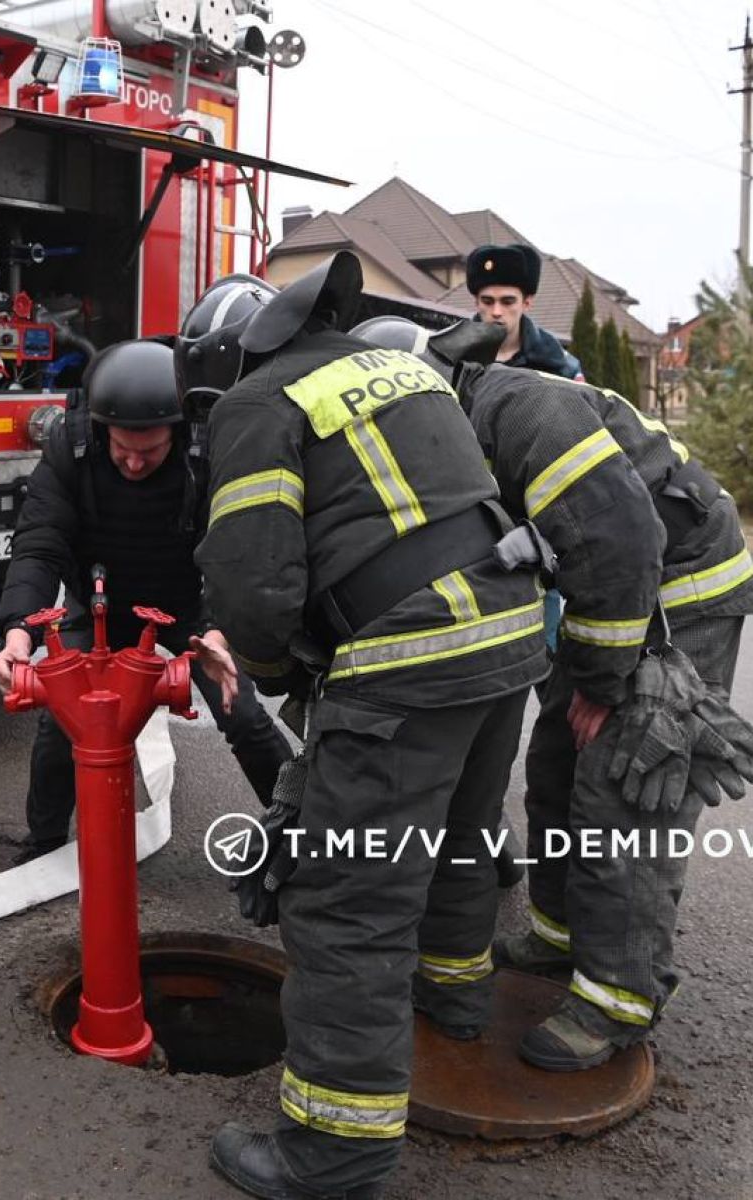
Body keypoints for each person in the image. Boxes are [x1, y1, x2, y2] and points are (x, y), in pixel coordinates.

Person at [185, 255, 554, 1199]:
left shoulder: (257, 405)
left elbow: (255, 592)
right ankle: (455, 997)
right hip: (507, 633)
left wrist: (273, 675)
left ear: (222, 359)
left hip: (410, 662)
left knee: (347, 902)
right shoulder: (386, 366)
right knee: (464, 835)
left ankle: (332, 1155)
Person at [354, 316, 753, 1071]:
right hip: (606, 601)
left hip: (678, 599)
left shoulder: (519, 411)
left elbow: (619, 537)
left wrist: (608, 684)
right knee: (553, 765)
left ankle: (618, 998)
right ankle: (561, 931)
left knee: (623, 790)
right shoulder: (457, 425)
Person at [0, 339, 290, 861]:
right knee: (59, 721)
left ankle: (299, 836)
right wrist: (19, 630)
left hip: (189, 605)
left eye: (149, 452)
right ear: (102, 428)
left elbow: (235, 549)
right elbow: (40, 543)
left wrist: (218, 631)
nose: (132, 463)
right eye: (121, 448)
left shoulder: (209, 449)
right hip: (102, 603)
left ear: (177, 431)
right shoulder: (70, 446)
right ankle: (42, 847)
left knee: (242, 713)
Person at [466, 242, 583, 379]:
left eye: (508, 302)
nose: (496, 311)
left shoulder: (561, 366)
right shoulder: (451, 356)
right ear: (476, 302)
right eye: (488, 301)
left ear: (526, 303)